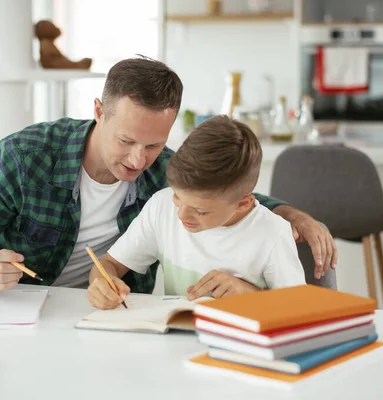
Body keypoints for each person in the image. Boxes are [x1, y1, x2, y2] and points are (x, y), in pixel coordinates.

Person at [0, 56, 336, 295]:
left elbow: (228, 195)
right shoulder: (24, 157)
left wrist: (293, 214)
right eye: (126, 140)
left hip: (113, 318)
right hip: (23, 310)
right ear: (98, 111)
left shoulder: (167, 174)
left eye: (154, 145)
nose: (138, 159)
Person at [87, 116, 306, 309]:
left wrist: (249, 295)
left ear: (243, 203)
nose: (181, 215)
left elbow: (299, 310)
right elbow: (109, 265)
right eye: (177, 197)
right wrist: (102, 283)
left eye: (200, 211)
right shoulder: (161, 207)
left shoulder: (273, 233)